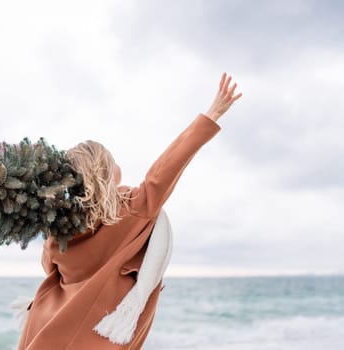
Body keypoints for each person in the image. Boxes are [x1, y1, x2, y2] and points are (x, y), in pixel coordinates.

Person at [17, 73, 242, 349]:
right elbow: (164, 171)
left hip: (49, 329)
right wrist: (212, 114)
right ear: (106, 171)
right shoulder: (132, 208)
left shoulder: (60, 229)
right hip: (102, 335)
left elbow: (48, 267)